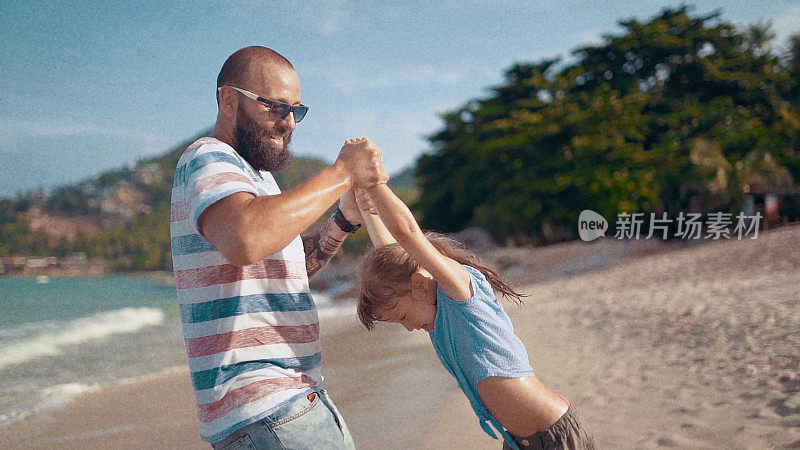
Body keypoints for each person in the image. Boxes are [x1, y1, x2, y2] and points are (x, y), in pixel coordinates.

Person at [170, 47, 387, 449]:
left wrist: (342, 221)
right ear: (229, 99)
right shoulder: (208, 157)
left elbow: (283, 269)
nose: (288, 122)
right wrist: (342, 174)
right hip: (268, 409)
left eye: (295, 111)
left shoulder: (259, 179)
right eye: (274, 107)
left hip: (285, 406)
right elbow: (245, 239)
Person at [349, 138, 594, 450]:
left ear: (421, 285)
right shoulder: (430, 306)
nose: (409, 327)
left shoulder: (459, 292)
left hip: (552, 434)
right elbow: (391, 253)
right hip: (520, 440)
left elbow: (406, 236)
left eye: (403, 317)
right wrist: (366, 202)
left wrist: (374, 181)